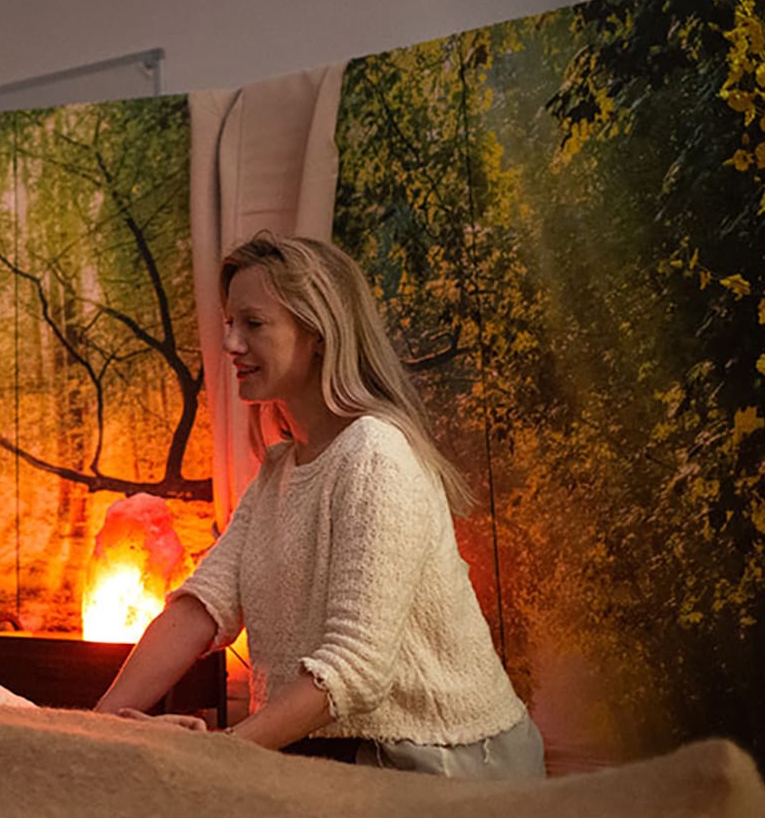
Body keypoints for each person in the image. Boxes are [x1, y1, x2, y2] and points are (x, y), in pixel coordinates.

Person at [96, 232, 544, 780]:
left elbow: (355, 668)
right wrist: (97, 729)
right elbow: (199, 609)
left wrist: (222, 750)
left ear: (318, 335)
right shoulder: (280, 470)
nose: (230, 344)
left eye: (253, 324)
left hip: (437, 759)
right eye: (230, 323)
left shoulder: (374, 453)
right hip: (338, 753)